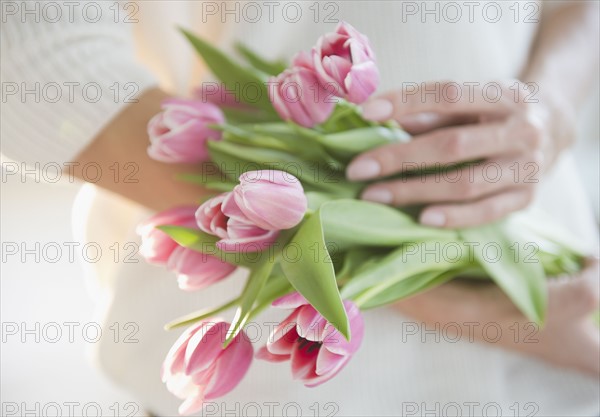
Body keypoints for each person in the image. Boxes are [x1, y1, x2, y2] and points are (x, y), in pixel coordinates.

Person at [2, 1, 599, 415]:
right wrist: (440, 295)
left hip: (558, 365)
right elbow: (29, 60)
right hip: (275, 400)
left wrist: (550, 106)